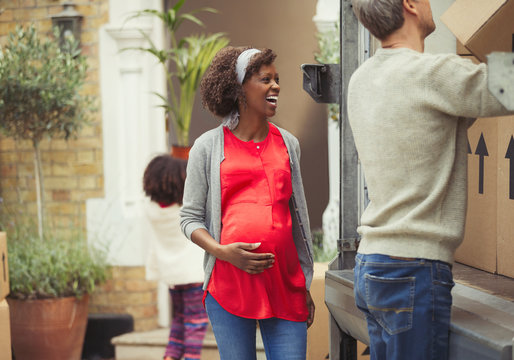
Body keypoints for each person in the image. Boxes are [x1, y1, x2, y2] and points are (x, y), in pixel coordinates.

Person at [347, 1, 514, 359]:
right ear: (409, 4)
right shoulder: (432, 74)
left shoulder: (361, 80)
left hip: (372, 264)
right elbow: (509, 87)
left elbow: (437, 122)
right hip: (413, 268)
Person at [179, 46, 315, 360]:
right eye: (265, 79)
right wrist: (222, 252)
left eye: (277, 79)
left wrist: (304, 283)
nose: (276, 86)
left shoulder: (288, 144)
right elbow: (189, 219)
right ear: (240, 88)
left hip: (285, 283)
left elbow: (298, 217)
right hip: (229, 284)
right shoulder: (208, 147)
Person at [142, 154, 208, 360]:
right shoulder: (185, 211)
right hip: (194, 275)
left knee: (179, 319)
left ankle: (170, 356)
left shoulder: (153, 211)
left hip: (172, 276)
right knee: (195, 324)